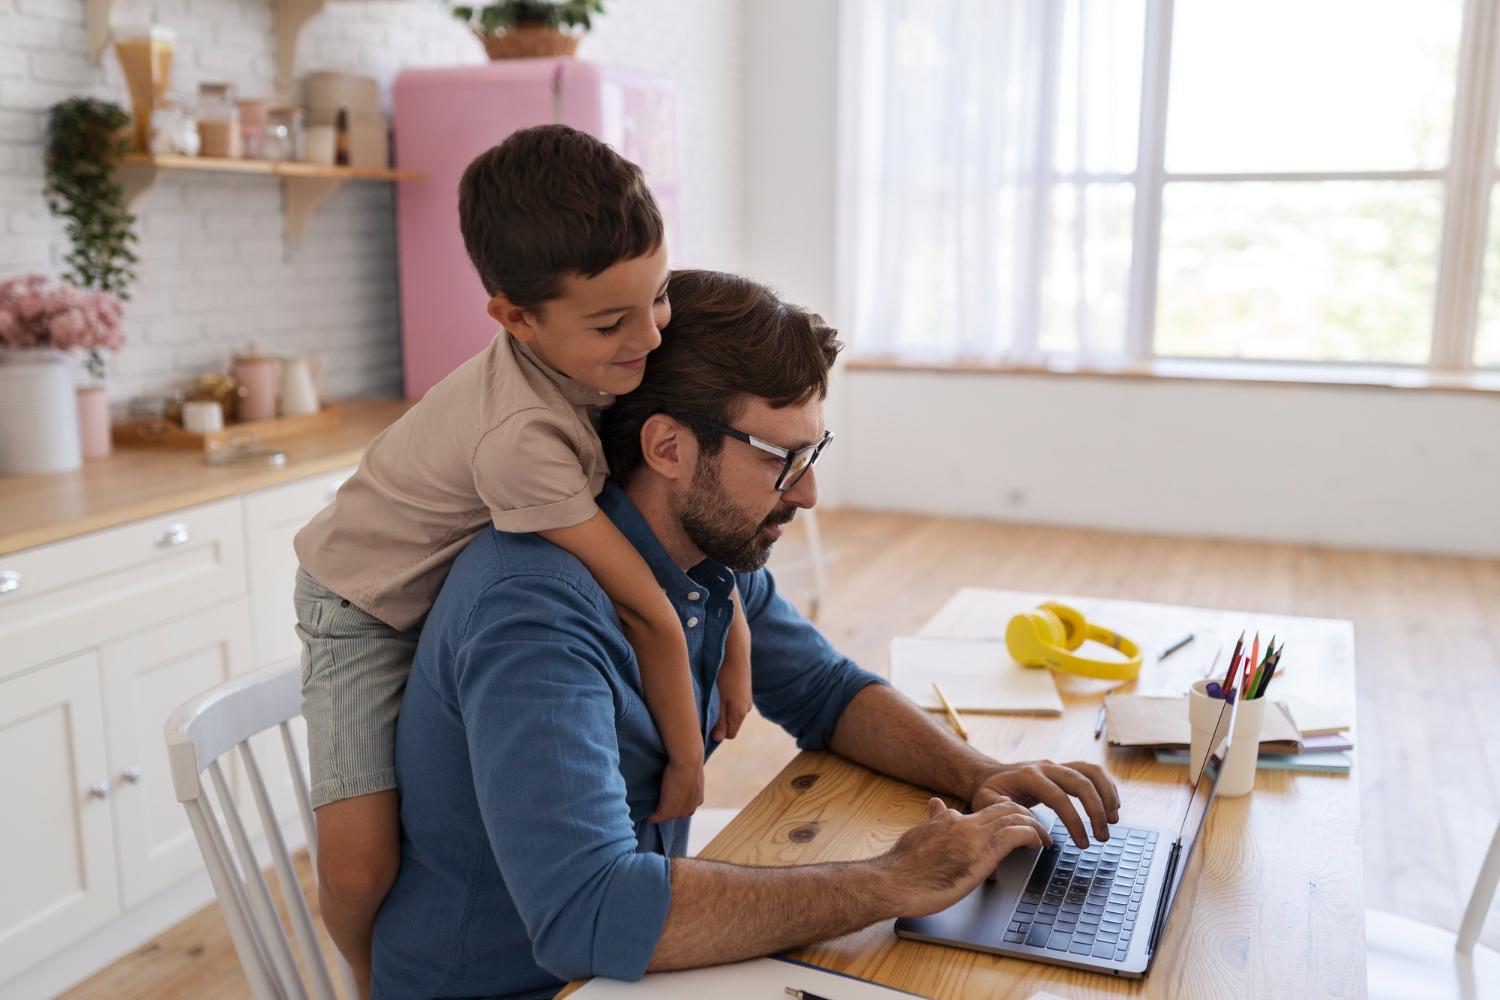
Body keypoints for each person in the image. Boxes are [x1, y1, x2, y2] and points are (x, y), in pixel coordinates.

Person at [370, 269, 1121, 999]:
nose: (810, 493)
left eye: (815, 452)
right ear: (668, 449)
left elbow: (826, 692)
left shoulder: (704, 555)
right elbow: (586, 913)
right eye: (784, 460)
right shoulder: (534, 614)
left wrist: (975, 773)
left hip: (627, 963)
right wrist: (894, 879)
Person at [290, 127, 753, 994]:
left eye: (657, 298)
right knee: (359, 863)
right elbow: (652, 606)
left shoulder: (604, 358)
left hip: (444, 573)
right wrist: (690, 762)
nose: (650, 337)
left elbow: (679, 568)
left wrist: (738, 638)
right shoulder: (523, 440)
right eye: (613, 322)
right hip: (359, 603)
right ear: (513, 318)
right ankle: (363, 977)